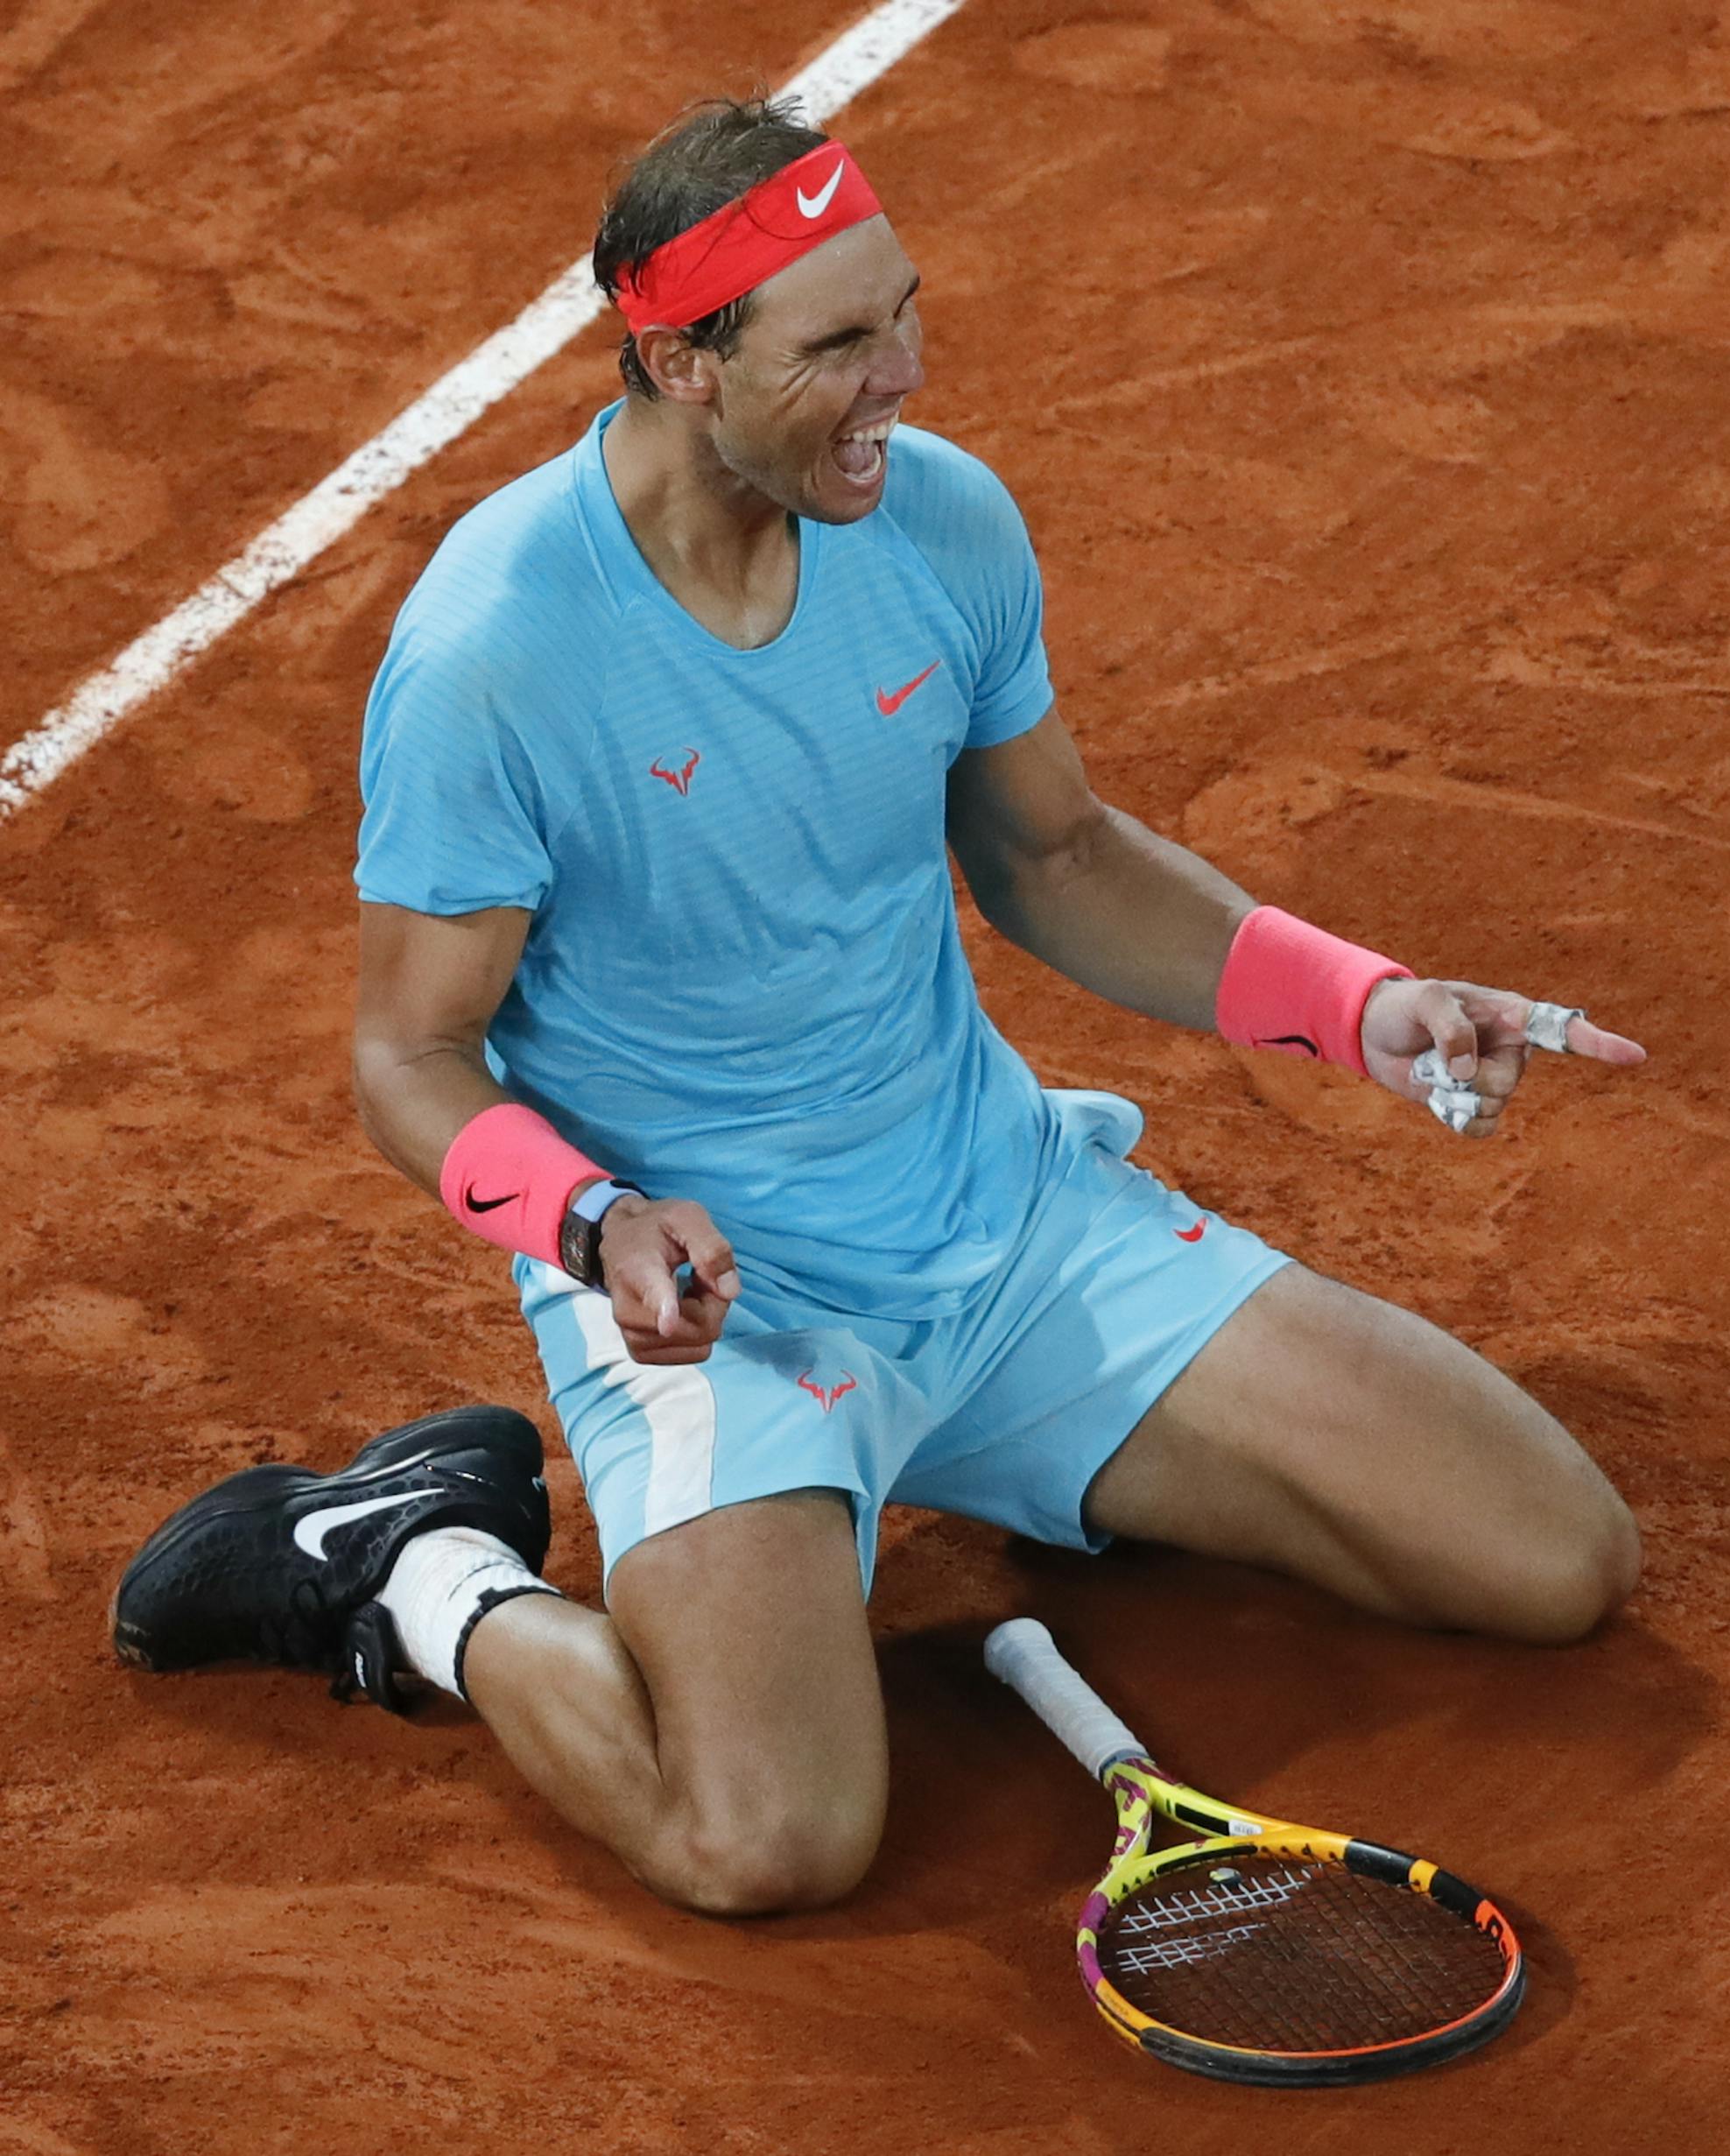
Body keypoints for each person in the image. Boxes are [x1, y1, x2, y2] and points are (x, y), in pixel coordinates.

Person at [113, 95, 1645, 1918]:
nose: (900, 377)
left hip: (1009, 1227)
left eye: (901, 314)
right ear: (681, 361)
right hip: (722, 1310)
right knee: (758, 1839)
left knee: (1557, 1555)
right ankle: (414, 1567)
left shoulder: (939, 527)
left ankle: (1003, 1444)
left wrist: (1360, 1001)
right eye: (837, 345)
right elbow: (408, 1055)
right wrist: (593, 1220)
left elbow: (1056, 858)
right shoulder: (497, 651)